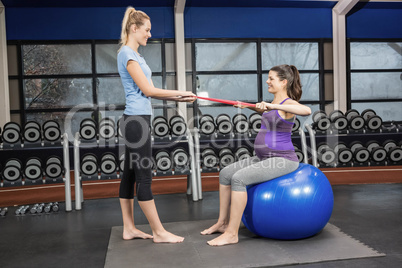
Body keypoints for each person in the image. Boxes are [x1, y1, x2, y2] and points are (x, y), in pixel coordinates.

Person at [200, 64, 311, 246]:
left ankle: (232, 233)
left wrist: (270, 105)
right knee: (225, 173)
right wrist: (248, 106)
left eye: (271, 78)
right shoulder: (273, 105)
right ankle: (222, 222)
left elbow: (307, 110)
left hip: (282, 160)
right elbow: (265, 111)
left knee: (239, 179)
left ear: (284, 82)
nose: (267, 81)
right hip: (264, 158)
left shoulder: (288, 104)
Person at [117, 7, 196, 244]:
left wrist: (182, 98)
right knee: (144, 176)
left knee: (130, 175)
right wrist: (181, 91)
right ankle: (159, 232)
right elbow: (148, 90)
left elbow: (152, 93)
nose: (150, 34)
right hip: (136, 122)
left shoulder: (138, 56)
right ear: (134, 28)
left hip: (139, 120)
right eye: (147, 30)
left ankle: (129, 228)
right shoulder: (126, 54)